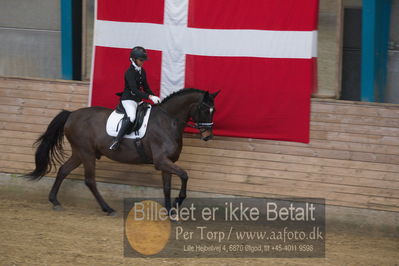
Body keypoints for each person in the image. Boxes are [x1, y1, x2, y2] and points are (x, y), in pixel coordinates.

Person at [109, 46, 161, 150]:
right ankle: (116, 141)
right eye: (141, 60)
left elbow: (146, 87)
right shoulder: (129, 73)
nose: (143, 62)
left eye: (143, 60)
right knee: (132, 117)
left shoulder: (142, 71)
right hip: (128, 99)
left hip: (138, 100)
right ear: (133, 59)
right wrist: (150, 97)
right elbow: (135, 90)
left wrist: (154, 97)